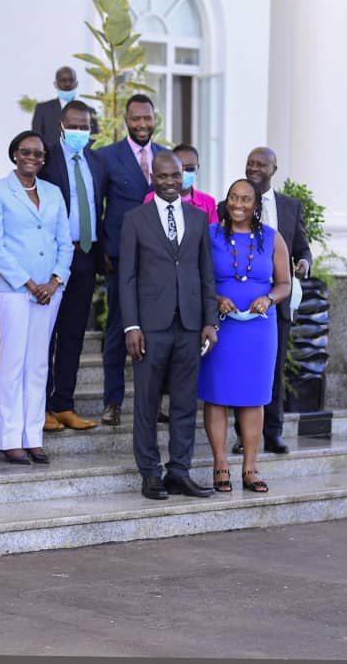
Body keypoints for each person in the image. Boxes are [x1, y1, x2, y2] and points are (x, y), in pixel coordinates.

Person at [120, 152, 218, 500]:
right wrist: (131, 325)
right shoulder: (135, 219)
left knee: (184, 403)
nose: (171, 183)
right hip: (150, 326)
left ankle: (179, 471)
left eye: (176, 176)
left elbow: (207, 273)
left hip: (189, 324)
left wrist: (210, 321)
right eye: (163, 177)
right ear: (152, 176)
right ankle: (150, 472)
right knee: (147, 402)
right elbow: (126, 277)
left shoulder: (197, 217)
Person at [197, 179, 292, 494]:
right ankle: (220, 463)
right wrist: (214, 299)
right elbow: (197, 277)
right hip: (221, 326)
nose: (239, 204)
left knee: (254, 396)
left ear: (256, 204)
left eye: (246, 199)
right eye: (234, 198)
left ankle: (251, 467)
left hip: (258, 328)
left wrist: (269, 299)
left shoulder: (272, 238)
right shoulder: (209, 235)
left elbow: (284, 283)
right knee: (217, 394)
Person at [0, 131, 72, 465]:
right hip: (15, 290)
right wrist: (29, 283)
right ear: (14, 154)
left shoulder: (53, 193)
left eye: (39, 154)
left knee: (37, 364)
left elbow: (65, 241)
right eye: (26, 152)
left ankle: (32, 436)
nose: (32, 158)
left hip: (50, 292)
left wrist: (55, 280)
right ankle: (10, 438)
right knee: (13, 363)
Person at [228, 146, 313, 455]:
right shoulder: (233, 204)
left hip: (277, 300)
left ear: (273, 170)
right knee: (242, 368)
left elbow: (302, 248)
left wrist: (304, 263)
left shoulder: (290, 206)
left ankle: (273, 433)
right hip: (239, 303)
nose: (253, 168)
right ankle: (242, 435)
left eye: (261, 164)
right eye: (250, 163)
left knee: (272, 369)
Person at [94, 94, 168, 426]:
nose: (142, 124)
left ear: (155, 119)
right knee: (117, 331)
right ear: (126, 120)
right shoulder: (107, 157)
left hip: (162, 263)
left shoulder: (167, 158)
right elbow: (97, 206)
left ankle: (153, 402)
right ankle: (113, 401)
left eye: (147, 118)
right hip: (121, 260)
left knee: (159, 333)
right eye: (136, 118)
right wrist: (101, 251)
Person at [38, 100, 108, 432]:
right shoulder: (46, 159)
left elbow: (100, 206)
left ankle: (63, 403)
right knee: (47, 333)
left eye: (85, 126)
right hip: (52, 258)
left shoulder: (97, 161)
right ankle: (41, 407)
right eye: (74, 126)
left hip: (86, 256)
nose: (80, 131)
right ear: (61, 127)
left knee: (73, 334)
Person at [143, 144, 217, 224]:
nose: (183, 173)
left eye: (189, 168)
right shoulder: (151, 198)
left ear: (197, 168)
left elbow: (212, 234)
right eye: (179, 168)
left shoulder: (208, 203)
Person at [31, 66, 98, 148]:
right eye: (63, 80)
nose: (67, 84)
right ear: (55, 84)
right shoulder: (42, 109)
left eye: (71, 80)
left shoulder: (90, 112)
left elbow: (94, 141)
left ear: (76, 83)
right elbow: (36, 139)